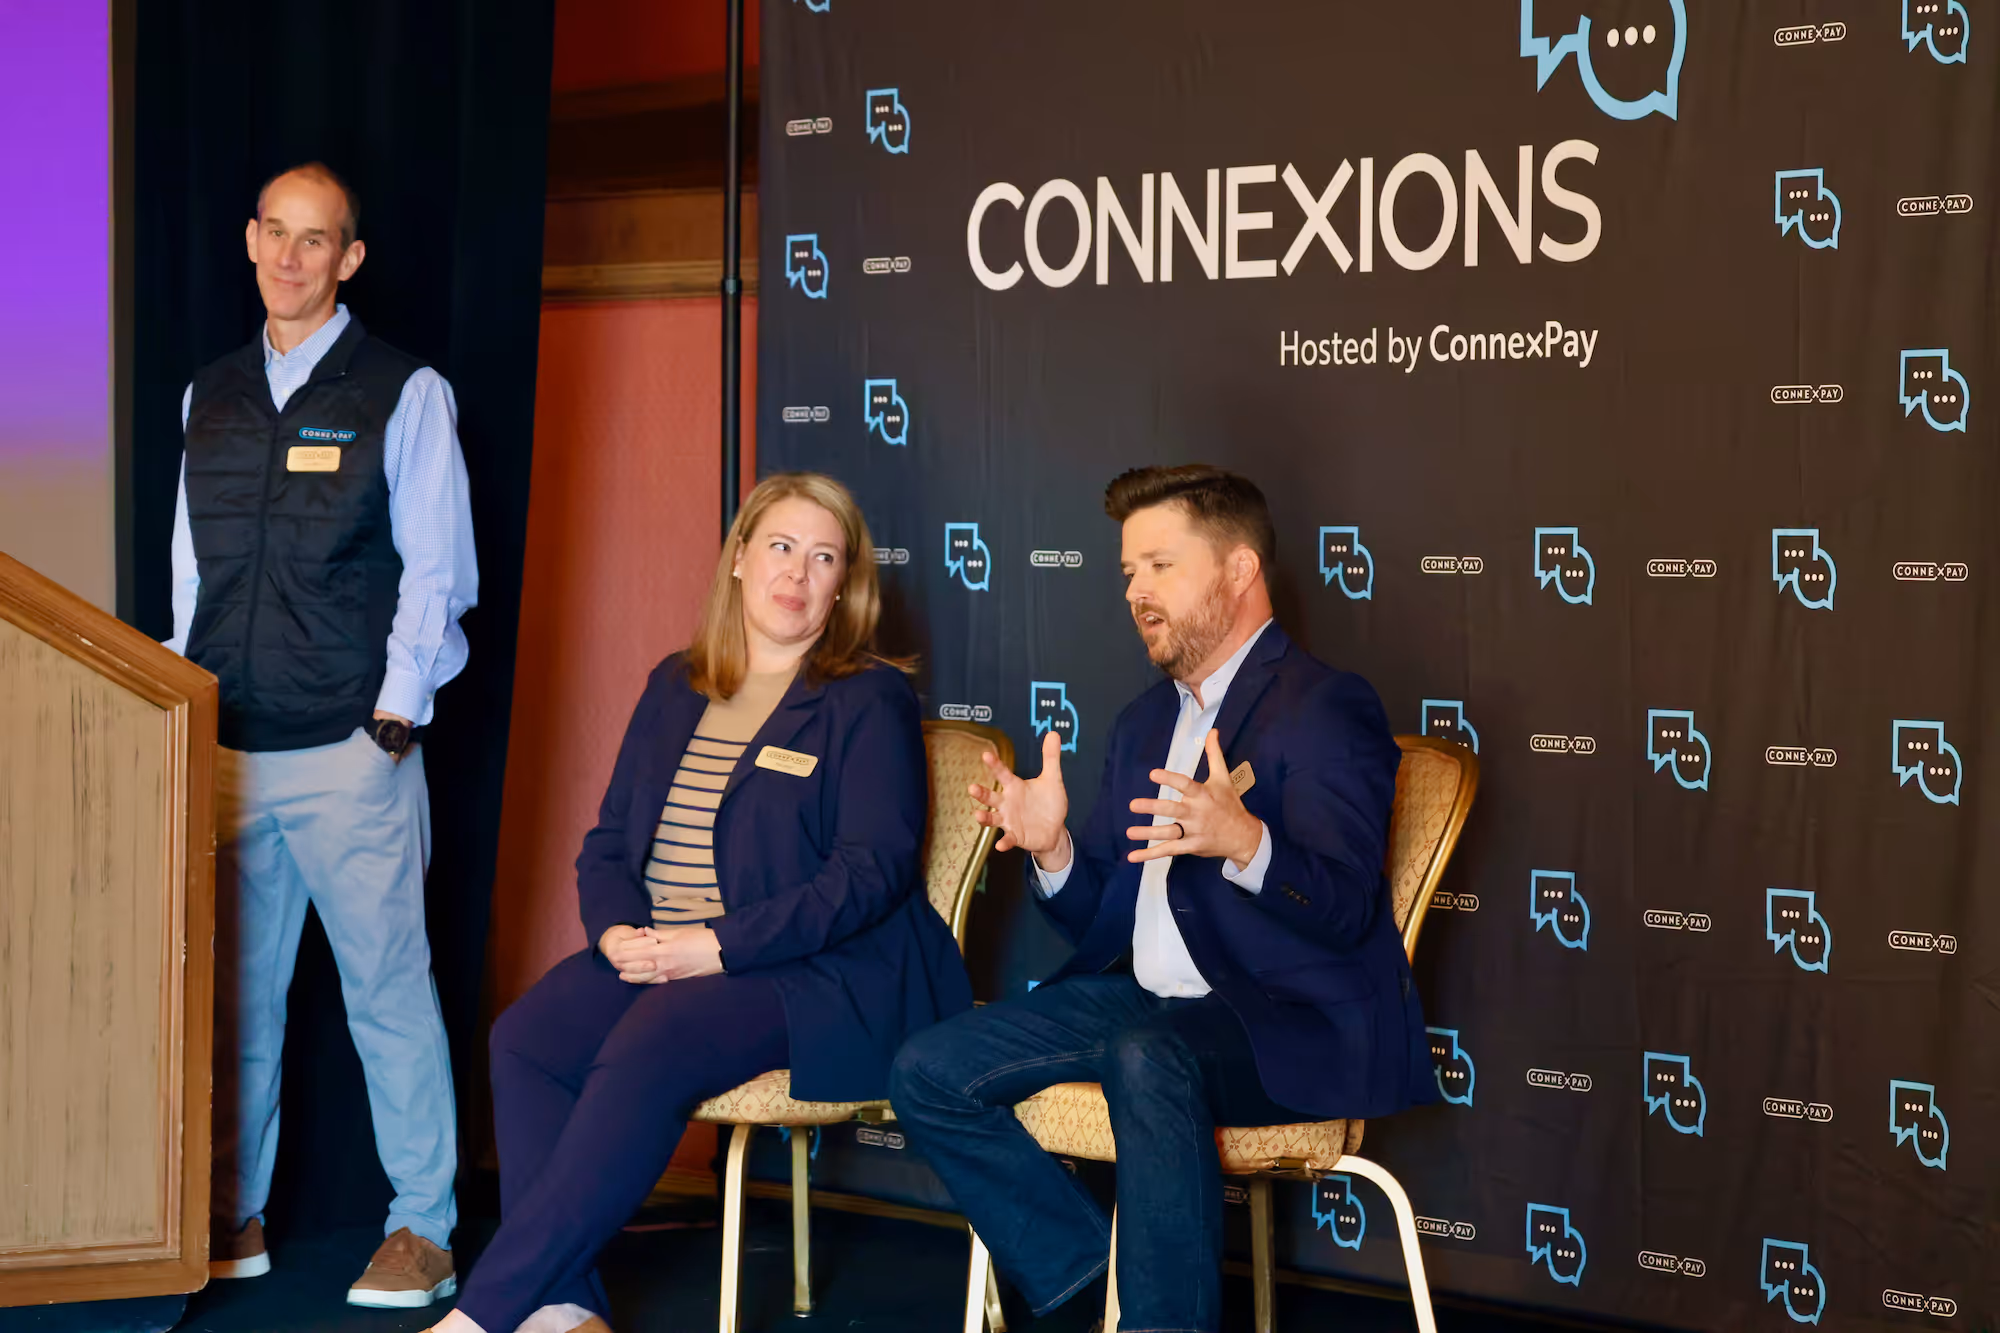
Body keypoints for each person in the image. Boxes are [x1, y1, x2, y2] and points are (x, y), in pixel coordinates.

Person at [890, 464, 1434, 1332]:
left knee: (1149, 1053)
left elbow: (1344, 908)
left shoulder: (1326, 705)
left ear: (1238, 571)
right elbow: (1105, 911)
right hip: (1148, 1006)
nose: (1136, 591)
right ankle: (1086, 1280)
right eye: (1126, 573)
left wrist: (1247, 842)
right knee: (927, 1070)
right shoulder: (1148, 721)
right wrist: (1056, 848)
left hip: (1281, 1022)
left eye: (1159, 566)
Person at [426, 472, 973, 1333]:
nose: (797, 572)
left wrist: (710, 946)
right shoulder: (674, 684)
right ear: (740, 561)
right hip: (662, 948)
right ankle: (566, 1309)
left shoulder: (867, 699)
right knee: (524, 1037)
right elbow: (609, 841)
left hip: (808, 968)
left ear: (844, 586)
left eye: (823, 557)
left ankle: (481, 1317)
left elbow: (869, 872)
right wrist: (613, 933)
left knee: (652, 1041)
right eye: (782, 547)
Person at [164, 161, 477, 1306]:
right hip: (227, 751)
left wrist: (392, 716)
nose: (291, 259)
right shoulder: (210, 395)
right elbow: (191, 576)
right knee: (233, 1001)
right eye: (275, 235)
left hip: (351, 751)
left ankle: (423, 1225)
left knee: (386, 991)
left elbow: (437, 573)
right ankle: (227, 1213)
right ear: (250, 240)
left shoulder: (404, 390)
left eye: (318, 241)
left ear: (348, 259)